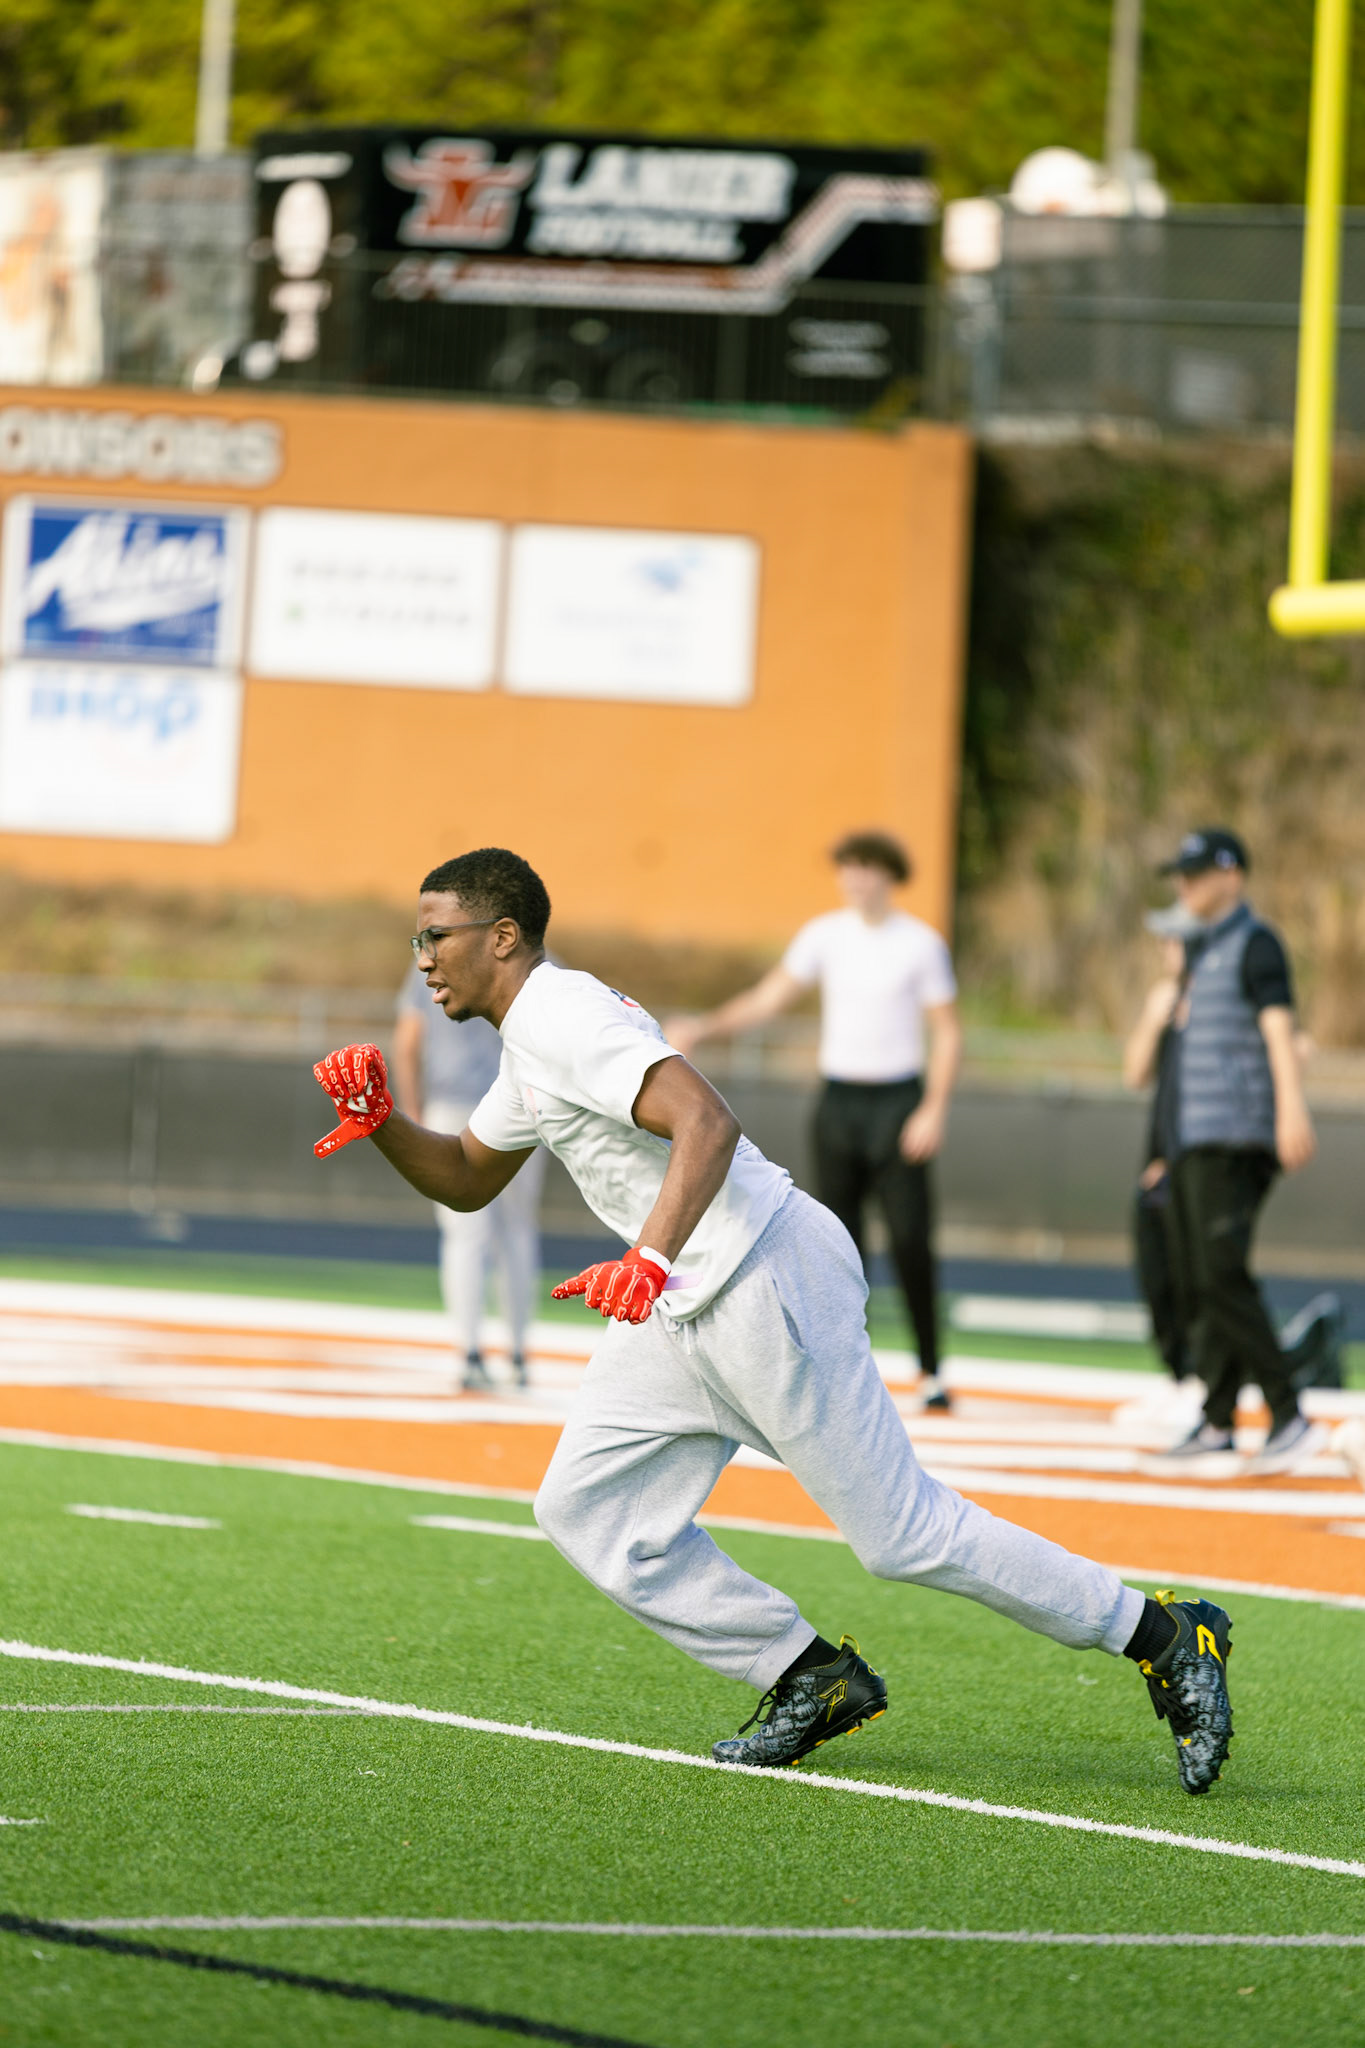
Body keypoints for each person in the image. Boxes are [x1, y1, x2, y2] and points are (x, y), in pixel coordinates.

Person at [311, 846, 1233, 1795]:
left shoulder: (562, 1014)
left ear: (502, 937)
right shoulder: (530, 1038)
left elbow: (705, 1121)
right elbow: (467, 1176)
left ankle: (1164, 1633)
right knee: (585, 1508)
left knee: (902, 1535)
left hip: (760, 1273)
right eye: (417, 940)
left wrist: (647, 1258)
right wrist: (382, 1123)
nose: (422, 958)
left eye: (435, 936)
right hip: (686, 1294)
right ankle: (808, 1677)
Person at [666, 831, 961, 1410]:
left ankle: (931, 1370)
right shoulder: (825, 935)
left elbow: (947, 1031)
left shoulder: (920, 943)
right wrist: (703, 1027)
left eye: (867, 867)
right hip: (838, 1103)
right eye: (847, 868)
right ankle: (843, 1366)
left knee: (910, 1238)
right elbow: (768, 999)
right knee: (837, 1241)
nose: (855, 879)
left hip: (898, 1103)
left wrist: (933, 1109)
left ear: (890, 875)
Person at [1145, 828, 1324, 1472]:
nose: (1184, 885)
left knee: (1222, 1273)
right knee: (1200, 1278)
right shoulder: (1199, 952)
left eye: (1196, 874)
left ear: (1232, 876)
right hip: (1194, 1139)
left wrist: (1290, 1108)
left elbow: (1279, 1030)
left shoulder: (1256, 943)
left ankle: (1288, 1412)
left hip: (1236, 1136)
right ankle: (1219, 1417)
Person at [1124, 901, 1343, 1400]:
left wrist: (1286, 1100)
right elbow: (1136, 1073)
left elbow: (1288, 1044)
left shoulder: (1226, 993)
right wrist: (1155, 1019)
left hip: (1205, 1157)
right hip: (1169, 1158)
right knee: (1172, 1279)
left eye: (1172, 941)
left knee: (1213, 1280)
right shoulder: (1170, 1002)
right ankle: (1207, 1384)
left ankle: (1270, 1384)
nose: (1165, 951)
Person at [393, 958, 544, 1390]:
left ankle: (471, 1352)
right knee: (515, 1232)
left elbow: (408, 1040)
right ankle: (517, 1354)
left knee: (466, 1233)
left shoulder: (432, 961)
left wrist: (414, 1116)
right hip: (520, 1106)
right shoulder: (537, 959)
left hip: (458, 1105)